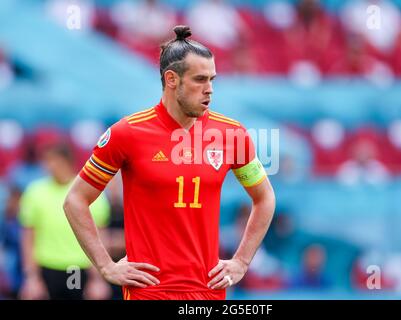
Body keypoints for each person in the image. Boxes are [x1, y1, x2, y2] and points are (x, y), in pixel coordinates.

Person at [63, 25, 276, 300]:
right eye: (200, 80)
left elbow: (265, 198)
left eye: (212, 79)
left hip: (209, 291)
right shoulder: (127, 133)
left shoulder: (232, 135)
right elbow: (75, 200)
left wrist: (242, 261)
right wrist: (106, 266)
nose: (209, 90)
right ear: (172, 79)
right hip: (148, 291)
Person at [18, 144, 111, 300]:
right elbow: (28, 238)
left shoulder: (87, 190)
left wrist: (98, 278)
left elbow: (101, 236)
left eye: (54, 161)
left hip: (75, 267)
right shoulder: (34, 192)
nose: (50, 166)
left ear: (68, 162)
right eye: (47, 161)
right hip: (46, 266)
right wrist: (32, 277)